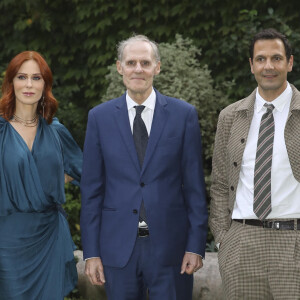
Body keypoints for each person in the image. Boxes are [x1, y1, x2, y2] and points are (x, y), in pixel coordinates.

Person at [80, 34, 208, 300]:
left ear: (157, 67)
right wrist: (91, 252)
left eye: (145, 63)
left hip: (171, 249)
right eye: (131, 62)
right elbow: (91, 191)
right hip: (118, 248)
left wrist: (195, 246)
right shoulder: (99, 118)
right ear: (120, 67)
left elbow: (195, 187)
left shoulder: (183, 115)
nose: (138, 69)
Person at [210, 28, 300, 299]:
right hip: (241, 243)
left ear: (290, 63)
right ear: (251, 65)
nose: (268, 66)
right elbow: (220, 182)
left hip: (293, 242)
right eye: (260, 59)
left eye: (276, 58)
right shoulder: (230, 117)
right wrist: (223, 238)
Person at [0, 51, 82, 299]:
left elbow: (85, 171)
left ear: (45, 84)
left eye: (36, 78)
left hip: (49, 238)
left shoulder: (56, 131)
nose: (28, 84)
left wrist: (51, 181)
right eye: (21, 77)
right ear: (11, 82)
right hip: (7, 240)